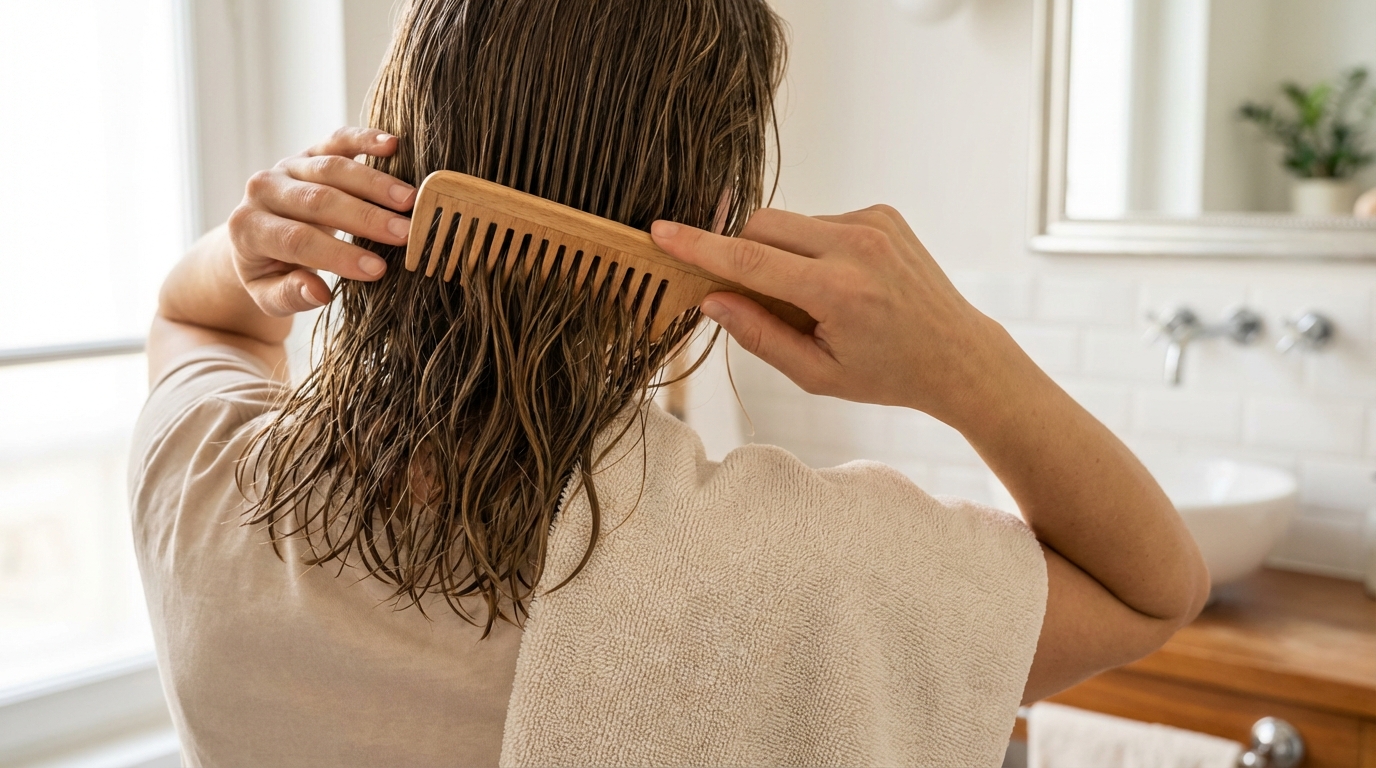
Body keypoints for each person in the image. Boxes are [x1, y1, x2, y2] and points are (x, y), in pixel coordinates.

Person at [131, 0, 1210, 765]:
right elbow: (1149, 589)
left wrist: (248, 248)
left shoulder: (207, 479)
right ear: (683, 254)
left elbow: (189, 315)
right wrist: (960, 359)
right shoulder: (811, 572)